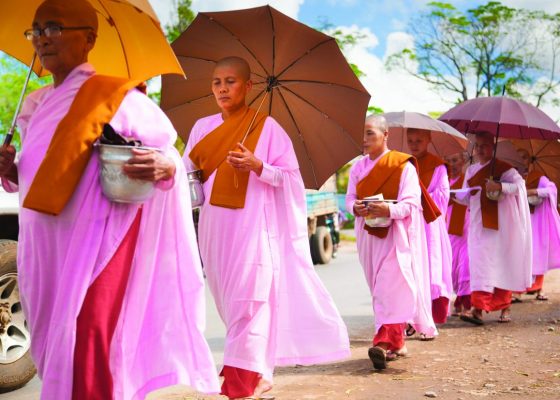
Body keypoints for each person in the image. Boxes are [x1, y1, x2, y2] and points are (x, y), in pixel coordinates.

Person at [0, 1, 219, 398]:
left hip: (99, 244)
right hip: (43, 248)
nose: (43, 39)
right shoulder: (34, 105)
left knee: (89, 342)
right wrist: (10, 169)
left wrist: (165, 165)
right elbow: (38, 175)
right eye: (36, 30)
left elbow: (167, 151)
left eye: (54, 27)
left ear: (89, 37)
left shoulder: (114, 95)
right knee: (54, 347)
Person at [183, 56, 350, 399]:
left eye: (231, 81)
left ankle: (239, 382)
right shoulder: (202, 127)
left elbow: (291, 178)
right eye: (217, 82)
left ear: (248, 86)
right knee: (229, 302)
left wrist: (259, 166)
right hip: (214, 228)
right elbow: (187, 171)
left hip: (253, 228)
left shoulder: (268, 127)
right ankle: (253, 368)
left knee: (251, 299)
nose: (223, 88)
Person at [346, 115, 436, 370]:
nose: (364, 139)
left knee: (390, 287)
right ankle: (397, 342)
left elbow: (411, 204)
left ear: (386, 135)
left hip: (396, 237)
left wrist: (386, 209)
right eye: (361, 134)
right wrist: (357, 208)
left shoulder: (402, 166)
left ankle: (384, 342)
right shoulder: (357, 168)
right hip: (367, 235)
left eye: (370, 133)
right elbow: (350, 198)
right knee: (379, 289)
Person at [454, 132, 532, 325]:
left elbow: (520, 187)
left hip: (501, 226)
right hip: (478, 224)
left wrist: (500, 186)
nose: (480, 149)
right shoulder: (471, 170)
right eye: (477, 145)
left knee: (500, 263)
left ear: (493, 147)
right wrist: (455, 195)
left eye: (485, 145)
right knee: (480, 265)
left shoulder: (505, 169)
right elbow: (466, 197)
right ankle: (478, 310)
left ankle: (504, 306)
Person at [406, 129, 453, 329]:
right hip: (409, 222)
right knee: (411, 267)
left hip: (430, 223)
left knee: (432, 267)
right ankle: (411, 316)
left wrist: (419, 196)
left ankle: (431, 316)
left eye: (419, 140)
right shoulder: (405, 163)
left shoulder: (438, 165)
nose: (414, 144)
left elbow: (443, 196)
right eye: (410, 141)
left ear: (428, 140)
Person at [512, 148, 560, 302]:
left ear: (531, 160)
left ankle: (539, 288)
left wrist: (533, 191)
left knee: (538, 253)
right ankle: (517, 290)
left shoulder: (539, 177)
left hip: (537, 221)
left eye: (525, 158)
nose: (522, 161)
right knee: (522, 254)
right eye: (519, 158)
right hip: (520, 220)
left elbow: (551, 190)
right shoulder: (514, 177)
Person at [444, 151, 471, 316]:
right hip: (447, 227)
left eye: (455, 160)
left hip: (466, 226)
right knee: (452, 266)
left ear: (462, 161)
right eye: (448, 161)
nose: (452, 164)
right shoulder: (443, 180)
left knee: (465, 266)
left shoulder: (467, 179)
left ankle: (465, 302)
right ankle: (458, 298)